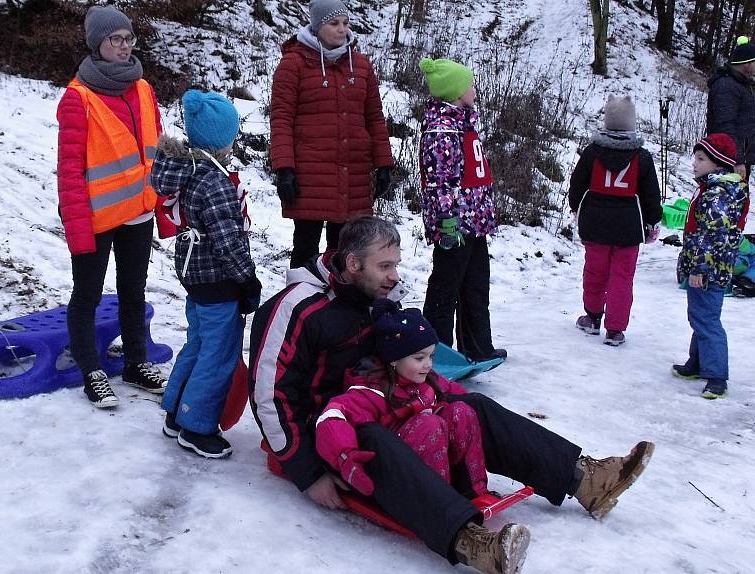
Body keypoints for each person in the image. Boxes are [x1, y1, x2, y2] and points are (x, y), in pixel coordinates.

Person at [249, 215, 655, 574]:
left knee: (468, 404)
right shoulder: (296, 307)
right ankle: (470, 541)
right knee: (375, 439)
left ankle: (585, 478)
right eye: (385, 266)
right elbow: (269, 396)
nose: (395, 276)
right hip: (328, 434)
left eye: (396, 265)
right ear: (353, 264)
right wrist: (308, 472)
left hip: (379, 402)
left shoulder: (376, 298)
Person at [56, 5, 172, 409]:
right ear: (97, 44)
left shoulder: (142, 87)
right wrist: (76, 227)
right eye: (115, 40)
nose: (124, 47)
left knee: (133, 291)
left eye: (128, 39)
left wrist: (162, 201)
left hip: (138, 211)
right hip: (96, 216)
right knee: (86, 296)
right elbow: (70, 170)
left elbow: (155, 151)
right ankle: (92, 370)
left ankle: (137, 363)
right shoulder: (78, 97)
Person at [150, 89, 261, 457]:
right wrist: (246, 279)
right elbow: (228, 240)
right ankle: (196, 426)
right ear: (221, 139)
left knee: (197, 343)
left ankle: (176, 409)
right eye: (232, 134)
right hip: (217, 279)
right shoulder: (215, 182)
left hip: (195, 275)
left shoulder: (190, 170)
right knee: (219, 352)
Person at [315, 299, 489, 500]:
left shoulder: (427, 380)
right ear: (395, 359)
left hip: (434, 460)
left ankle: (472, 489)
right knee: (429, 423)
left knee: (462, 410)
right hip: (396, 470)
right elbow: (333, 416)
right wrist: (346, 456)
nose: (428, 364)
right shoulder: (370, 391)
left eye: (431, 356)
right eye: (419, 358)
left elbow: (458, 395)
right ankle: (439, 502)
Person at [269, 0, 394, 268]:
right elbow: (281, 120)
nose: (342, 30)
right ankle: (300, 302)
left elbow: (374, 118)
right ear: (316, 27)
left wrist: (383, 163)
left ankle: (338, 304)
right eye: (333, 23)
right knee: (305, 246)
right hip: (310, 175)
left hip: (354, 174)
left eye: (345, 23)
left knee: (344, 249)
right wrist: (284, 169)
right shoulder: (293, 64)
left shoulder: (360, 66)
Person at [417, 58, 506, 363]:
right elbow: (438, 182)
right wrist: (446, 222)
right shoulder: (442, 130)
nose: (473, 88)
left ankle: (478, 347)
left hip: (476, 223)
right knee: (445, 290)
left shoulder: (464, 123)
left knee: (476, 287)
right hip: (454, 226)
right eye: (469, 84)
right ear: (455, 91)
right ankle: (435, 354)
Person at [568, 95, 662, 346]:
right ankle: (615, 330)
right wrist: (653, 222)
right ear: (631, 124)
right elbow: (651, 194)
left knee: (595, 272)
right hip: (629, 227)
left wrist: (576, 207)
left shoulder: (593, 152)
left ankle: (592, 317)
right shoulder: (641, 157)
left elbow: (577, 183)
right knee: (622, 277)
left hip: (595, 223)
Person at [672, 134, 749, 399]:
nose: (694, 163)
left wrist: (699, 270)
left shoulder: (717, 194)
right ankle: (698, 362)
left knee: (707, 320)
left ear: (718, 164)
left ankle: (717, 376)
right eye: (695, 158)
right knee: (700, 316)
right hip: (709, 268)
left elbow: (712, 235)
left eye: (701, 159)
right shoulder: (714, 188)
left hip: (709, 270)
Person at [706, 36, 755, 182]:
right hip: (727, 160)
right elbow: (725, 125)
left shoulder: (743, 85)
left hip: (739, 158)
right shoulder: (726, 86)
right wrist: (737, 160)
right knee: (725, 201)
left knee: (739, 201)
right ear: (746, 64)